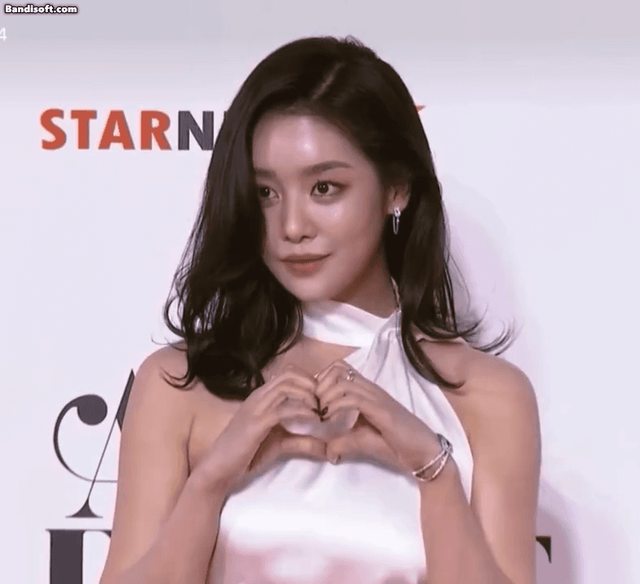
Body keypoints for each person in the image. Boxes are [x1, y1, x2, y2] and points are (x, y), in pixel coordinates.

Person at [99, 35, 541, 584]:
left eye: (325, 188)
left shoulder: (486, 396)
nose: (291, 227)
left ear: (397, 189)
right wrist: (210, 481)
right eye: (265, 194)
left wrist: (435, 471)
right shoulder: (177, 383)